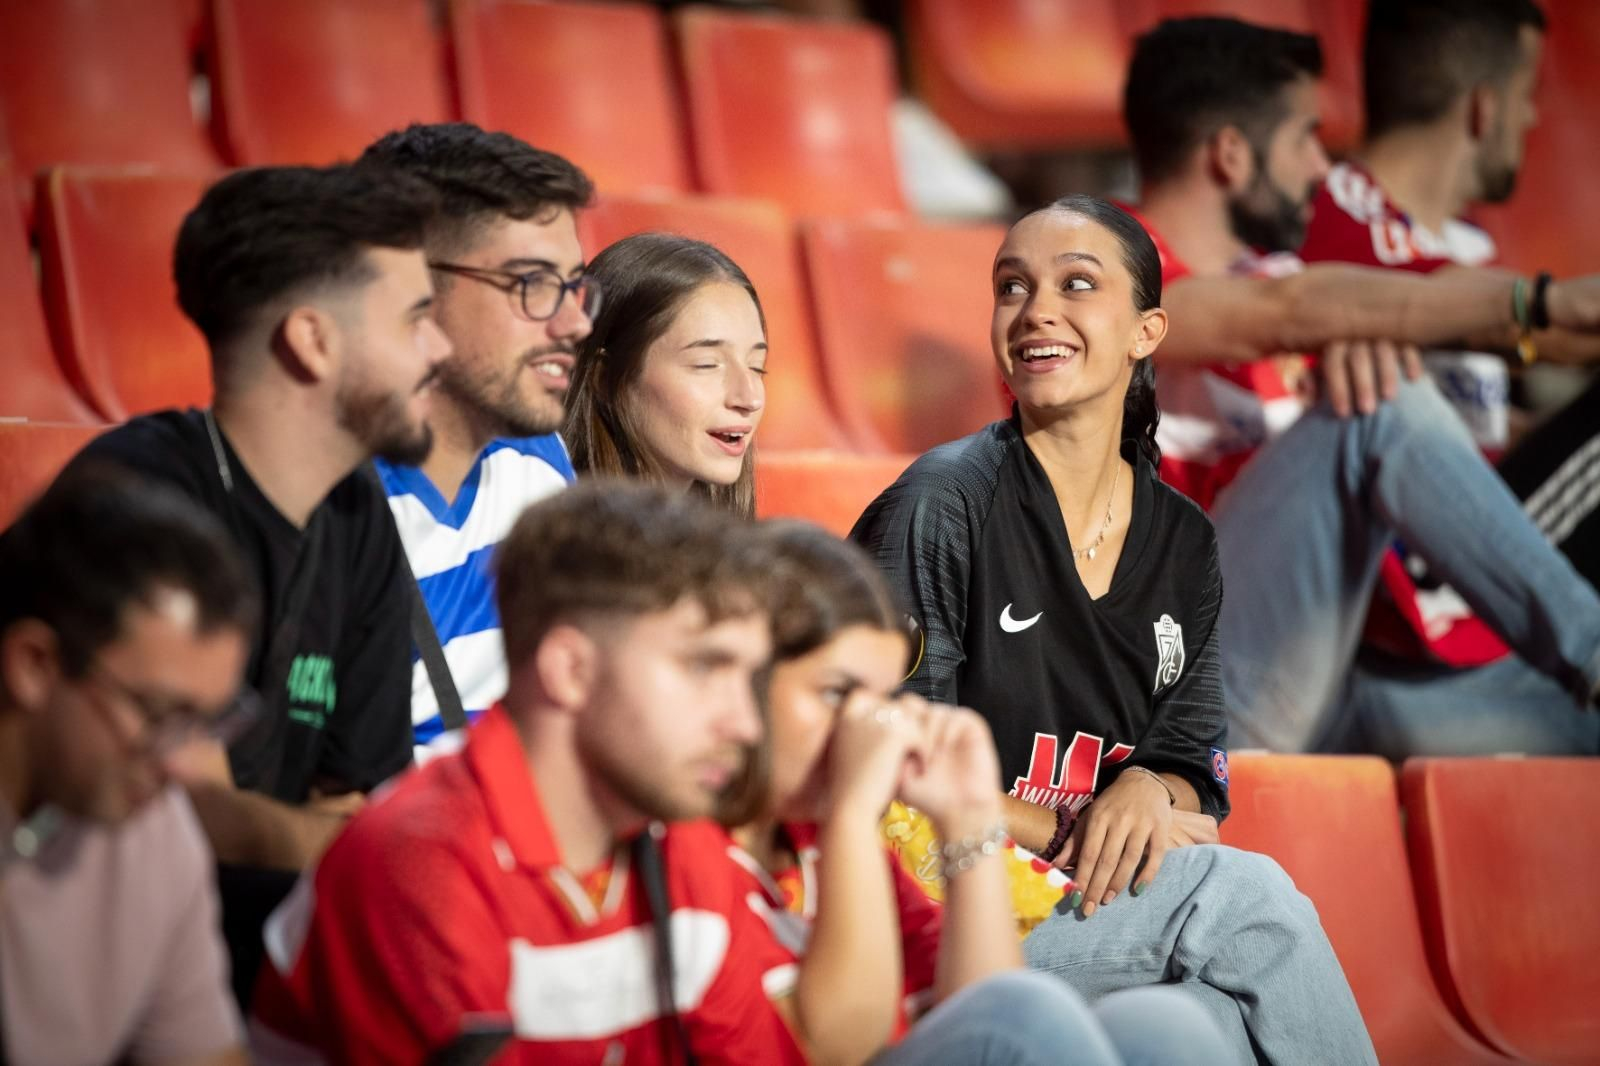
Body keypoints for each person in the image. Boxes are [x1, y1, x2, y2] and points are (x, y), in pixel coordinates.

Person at [851, 196, 1376, 1065]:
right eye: (1011, 287)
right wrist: (1067, 828)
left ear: (1146, 331)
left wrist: (1150, 791)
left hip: (1077, 907)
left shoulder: (1184, 541)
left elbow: (1193, 772)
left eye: (1076, 284)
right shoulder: (939, 505)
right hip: (945, 911)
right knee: (1243, 898)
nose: (1034, 310)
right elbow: (888, 765)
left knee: (1205, 1025)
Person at [1118, 16, 1600, 755]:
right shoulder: (1099, 267)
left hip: (1323, 677)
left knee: (1578, 729)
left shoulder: (1273, 281)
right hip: (1179, 686)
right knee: (1381, 409)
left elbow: (1293, 308)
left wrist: (1353, 354)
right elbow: (1279, 312)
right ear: (1230, 154)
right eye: (1306, 138)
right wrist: (1534, 303)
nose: (1323, 167)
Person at [56, 163, 452, 999]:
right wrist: (385, 852)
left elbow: (353, 799)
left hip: (257, 948)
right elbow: (186, 812)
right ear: (312, 340)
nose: (440, 350)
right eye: (416, 319)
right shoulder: (139, 497)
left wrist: (327, 840)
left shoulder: (355, 510)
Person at [250, 483, 804, 1064]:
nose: (746, 724)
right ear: (571, 670)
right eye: (705, 667)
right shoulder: (418, 863)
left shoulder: (682, 838)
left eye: (748, 679)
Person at [726, 520, 1239, 1066]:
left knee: (1164, 1025)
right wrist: (850, 817)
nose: (866, 725)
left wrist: (968, 818)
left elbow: (980, 1003)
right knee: (1032, 1014)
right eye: (835, 692)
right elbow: (840, 1047)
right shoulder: (696, 846)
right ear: (740, 687)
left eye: (880, 700)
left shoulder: (818, 846)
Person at [1298, 0, 1600, 748]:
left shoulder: (1465, 244)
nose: (1533, 119)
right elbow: (1534, 325)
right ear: (1483, 107)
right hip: (1410, 597)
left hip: (1481, 572)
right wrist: (1545, 313)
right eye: (1527, 95)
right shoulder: (1340, 214)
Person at [0, 466, 258, 1066]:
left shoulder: (157, 835)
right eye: (158, 714)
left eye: (205, 722)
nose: (181, 766)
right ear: (34, 665)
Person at [357, 123, 598, 759]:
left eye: (574, 287)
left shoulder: (536, 457)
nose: (574, 323)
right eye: (532, 284)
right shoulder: (322, 505)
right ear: (411, 288)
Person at [565, 233, 767, 517]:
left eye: (757, 366)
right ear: (604, 378)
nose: (749, 398)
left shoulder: (731, 542)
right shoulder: (537, 533)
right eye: (707, 364)